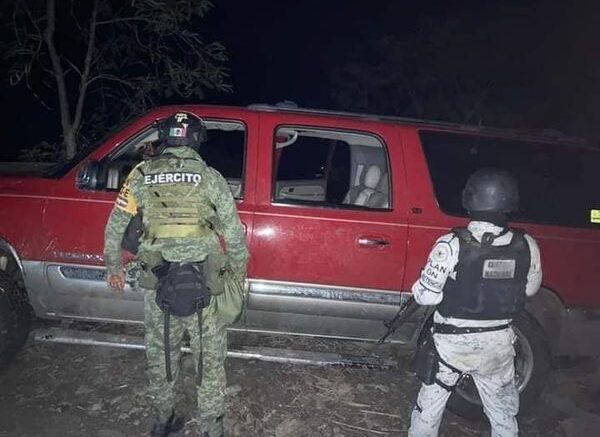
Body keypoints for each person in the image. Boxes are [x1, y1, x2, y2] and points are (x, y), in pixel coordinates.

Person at [104, 111, 248, 437]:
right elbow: (234, 236)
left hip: (158, 287)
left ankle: (164, 421)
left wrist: (114, 267)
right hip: (205, 290)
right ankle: (212, 430)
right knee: (209, 364)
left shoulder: (140, 175)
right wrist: (237, 275)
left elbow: (115, 228)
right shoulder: (210, 177)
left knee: (161, 357)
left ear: (165, 138)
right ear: (196, 140)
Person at [408, 168, 542, 437]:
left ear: (469, 199)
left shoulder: (451, 244)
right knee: (503, 416)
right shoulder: (526, 244)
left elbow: (426, 296)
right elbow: (530, 289)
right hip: (498, 346)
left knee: (428, 411)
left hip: (451, 346)